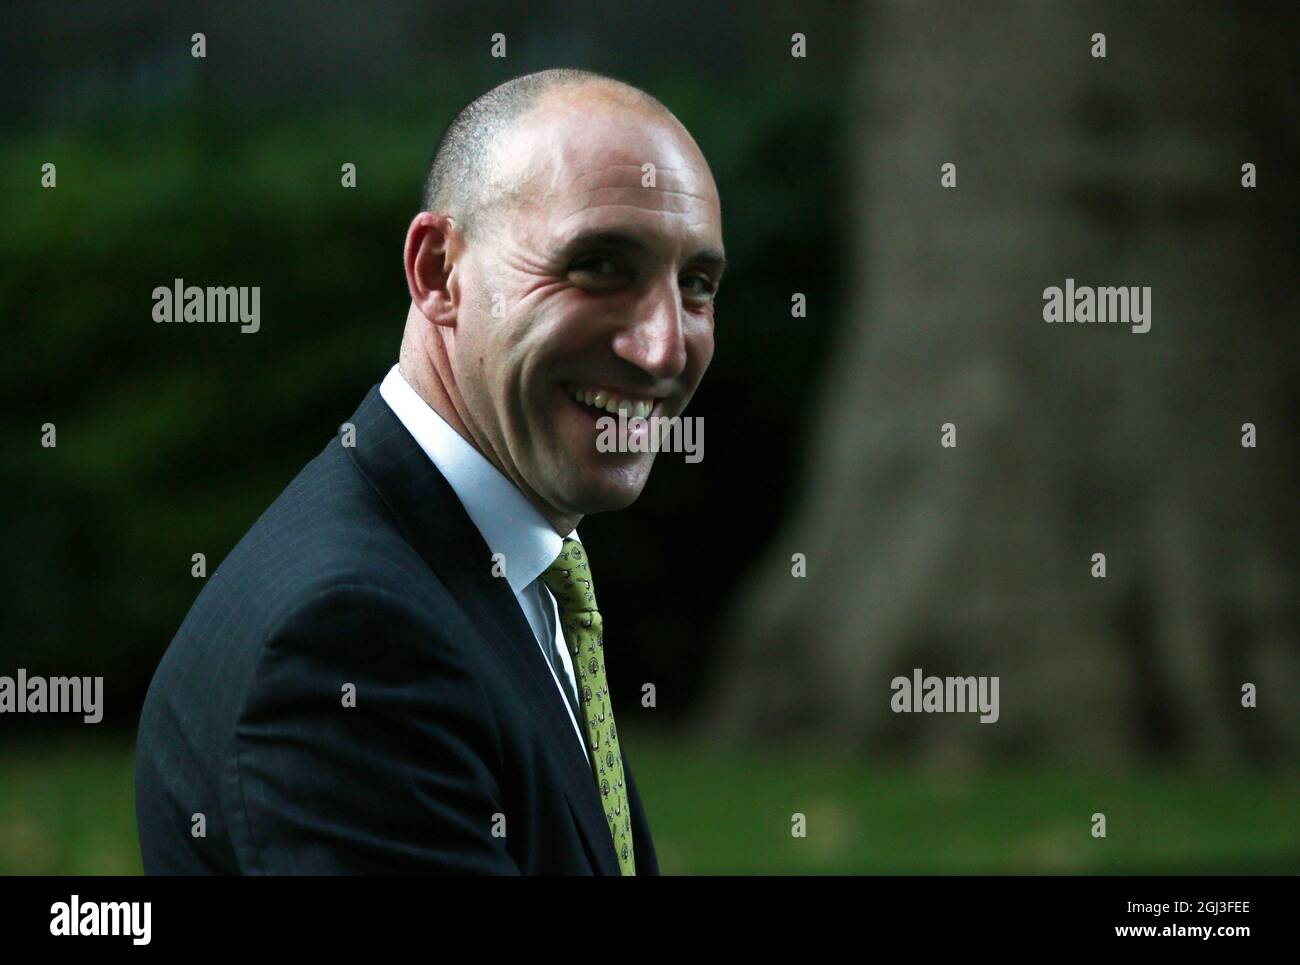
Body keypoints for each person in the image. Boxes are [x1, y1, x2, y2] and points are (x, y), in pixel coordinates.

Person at [135, 67, 726, 874]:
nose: (662, 347)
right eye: (598, 266)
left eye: (695, 284)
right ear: (439, 272)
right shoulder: (353, 639)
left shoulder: (492, 564)